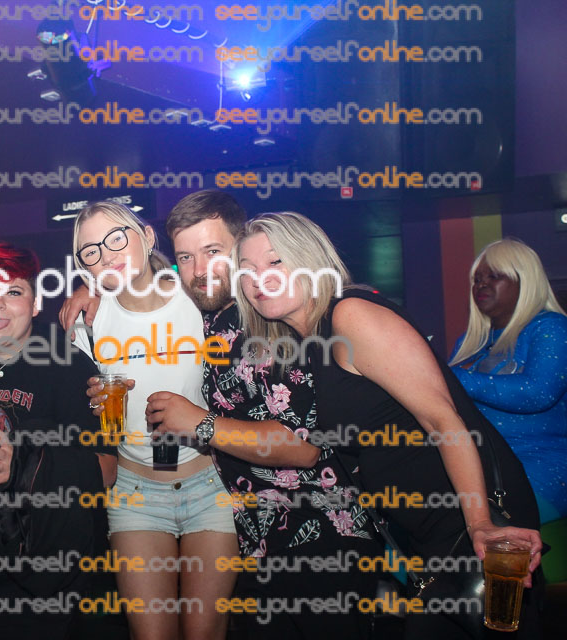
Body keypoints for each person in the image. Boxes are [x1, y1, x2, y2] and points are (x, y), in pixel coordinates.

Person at [165, 211, 542, 638]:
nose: (259, 279)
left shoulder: (350, 315)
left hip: (467, 509)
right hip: (419, 522)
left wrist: (480, 522)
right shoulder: (305, 342)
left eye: (275, 262)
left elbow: (443, 420)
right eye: (247, 270)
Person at [0, 243, 118, 639]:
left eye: (13, 291)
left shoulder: (67, 365)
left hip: (38, 576)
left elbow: (106, 471)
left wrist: (23, 463)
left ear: (35, 303)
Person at [69, 200, 238, 640]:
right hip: (135, 494)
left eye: (116, 238)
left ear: (146, 237)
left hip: (210, 486)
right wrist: (92, 405)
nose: (106, 255)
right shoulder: (88, 321)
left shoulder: (197, 300)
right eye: (91, 251)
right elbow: (86, 414)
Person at [449, 238, 567, 525]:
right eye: (477, 279)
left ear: (525, 281)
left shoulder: (551, 327)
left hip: (539, 470)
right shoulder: (469, 344)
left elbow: (538, 393)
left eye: (495, 276)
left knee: (457, 531)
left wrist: (452, 377)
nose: (482, 284)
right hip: (480, 470)